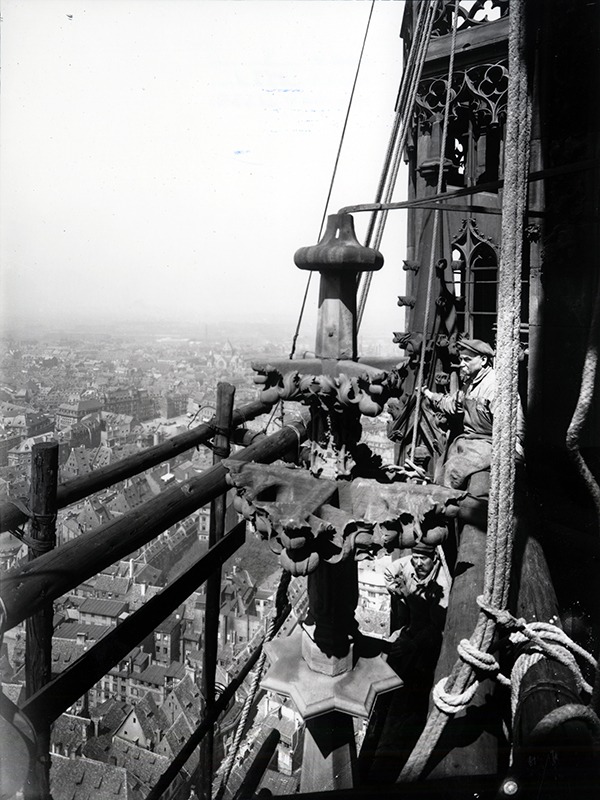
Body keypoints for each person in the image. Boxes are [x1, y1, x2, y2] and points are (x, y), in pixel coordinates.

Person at [421, 337, 525, 489]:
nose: (462, 364)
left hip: (493, 443)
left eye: (467, 360)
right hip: (472, 441)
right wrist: (429, 395)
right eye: (461, 359)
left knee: (455, 469)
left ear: (483, 360)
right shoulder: (470, 385)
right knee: (442, 466)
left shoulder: (496, 386)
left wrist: (515, 450)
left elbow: (513, 428)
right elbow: (451, 404)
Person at [383, 542, 450, 683]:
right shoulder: (410, 564)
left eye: (423, 559)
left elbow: (436, 628)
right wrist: (398, 593)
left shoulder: (442, 585)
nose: (418, 563)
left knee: (412, 672)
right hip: (410, 624)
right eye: (415, 557)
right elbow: (389, 571)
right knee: (385, 654)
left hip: (428, 636)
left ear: (435, 557)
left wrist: (412, 644)